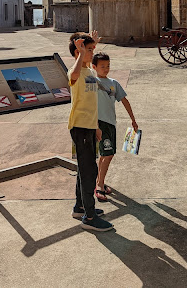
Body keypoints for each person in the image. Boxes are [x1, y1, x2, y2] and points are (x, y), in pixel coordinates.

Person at [67, 31, 113, 232]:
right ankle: (90, 217)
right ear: (78, 52)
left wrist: (96, 127)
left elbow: (92, 103)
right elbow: (74, 75)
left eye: (93, 49)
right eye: (89, 50)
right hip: (79, 127)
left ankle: (80, 207)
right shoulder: (75, 71)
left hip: (89, 127)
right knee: (89, 171)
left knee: (84, 168)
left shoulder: (90, 72)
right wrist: (80, 51)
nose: (92, 53)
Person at [91, 52, 138, 202]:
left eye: (108, 66)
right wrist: (95, 125)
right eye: (102, 66)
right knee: (108, 154)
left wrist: (133, 119)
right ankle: (100, 185)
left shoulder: (114, 83)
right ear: (94, 67)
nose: (106, 69)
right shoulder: (92, 82)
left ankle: (99, 181)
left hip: (111, 123)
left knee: (105, 154)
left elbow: (124, 101)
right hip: (99, 123)